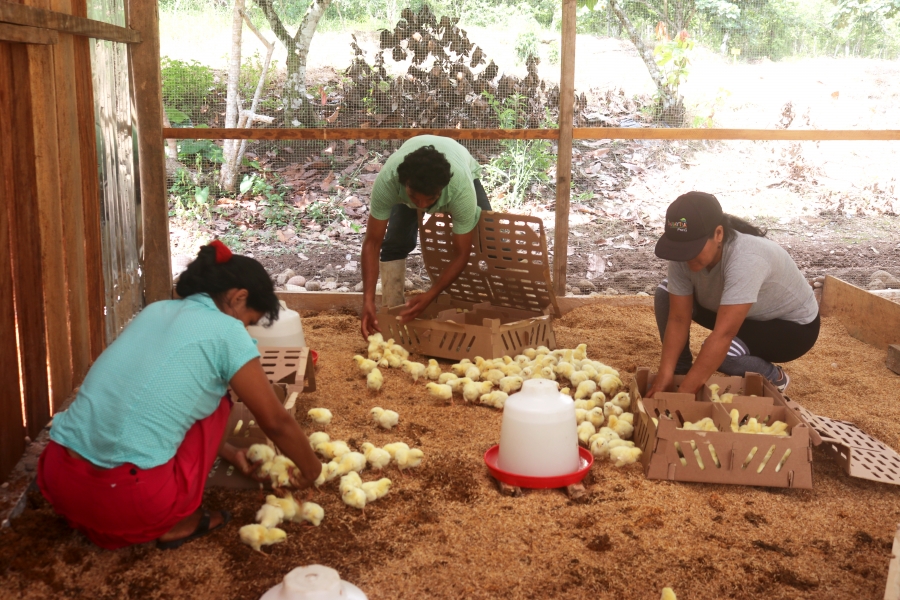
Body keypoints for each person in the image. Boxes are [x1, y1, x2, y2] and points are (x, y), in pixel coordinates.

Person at [37, 241, 322, 550]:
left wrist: (229, 452)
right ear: (238, 298)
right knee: (222, 401)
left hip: (60, 481)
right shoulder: (227, 332)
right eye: (249, 320)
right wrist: (311, 471)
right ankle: (179, 522)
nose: (246, 329)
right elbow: (275, 421)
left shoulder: (154, 311)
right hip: (129, 503)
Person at [646, 191, 820, 399]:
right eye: (680, 248)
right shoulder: (683, 253)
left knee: (724, 355)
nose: (685, 257)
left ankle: (774, 376)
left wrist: (683, 396)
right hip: (741, 311)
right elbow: (678, 317)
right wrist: (665, 375)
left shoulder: (747, 258)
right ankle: (680, 371)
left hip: (790, 329)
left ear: (718, 234)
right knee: (666, 293)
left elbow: (723, 335)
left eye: (692, 248)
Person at [360, 135, 492, 339]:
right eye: (414, 198)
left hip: (457, 158)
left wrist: (431, 294)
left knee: (488, 237)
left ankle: (492, 304)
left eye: (429, 199)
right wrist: (367, 298)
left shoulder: (460, 189)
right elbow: (372, 242)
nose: (421, 206)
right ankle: (391, 309)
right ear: (404, 184)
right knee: (396, 241)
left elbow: (462, 253)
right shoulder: (388, 181)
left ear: (442, 189)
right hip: (410, 173)